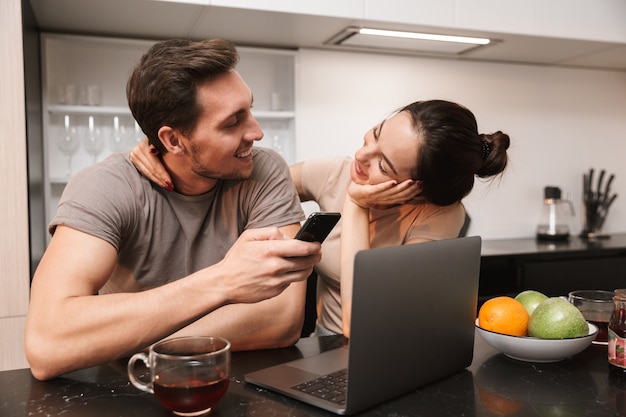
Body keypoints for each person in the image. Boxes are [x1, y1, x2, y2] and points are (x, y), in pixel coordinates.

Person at [25, 38, 322, 381]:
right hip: (135, 391)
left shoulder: (263, 169)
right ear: (173, 141)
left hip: (228, 383)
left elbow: (281, 319)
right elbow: (47, 345)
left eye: (250, 110)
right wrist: (223, 281)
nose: (256, 132)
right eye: (232, 122)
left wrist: (120, 339)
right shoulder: (106, 186)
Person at [131, 99, 511, 338]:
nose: (362, 157)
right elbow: (236, 186)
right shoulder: (334, 172)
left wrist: (357, 206)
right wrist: (169, 151)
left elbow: (359, 326)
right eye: (375, 135)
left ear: (421, 187)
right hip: (318, 347)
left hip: (378, 352)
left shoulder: (439, 216)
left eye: (384, 163)